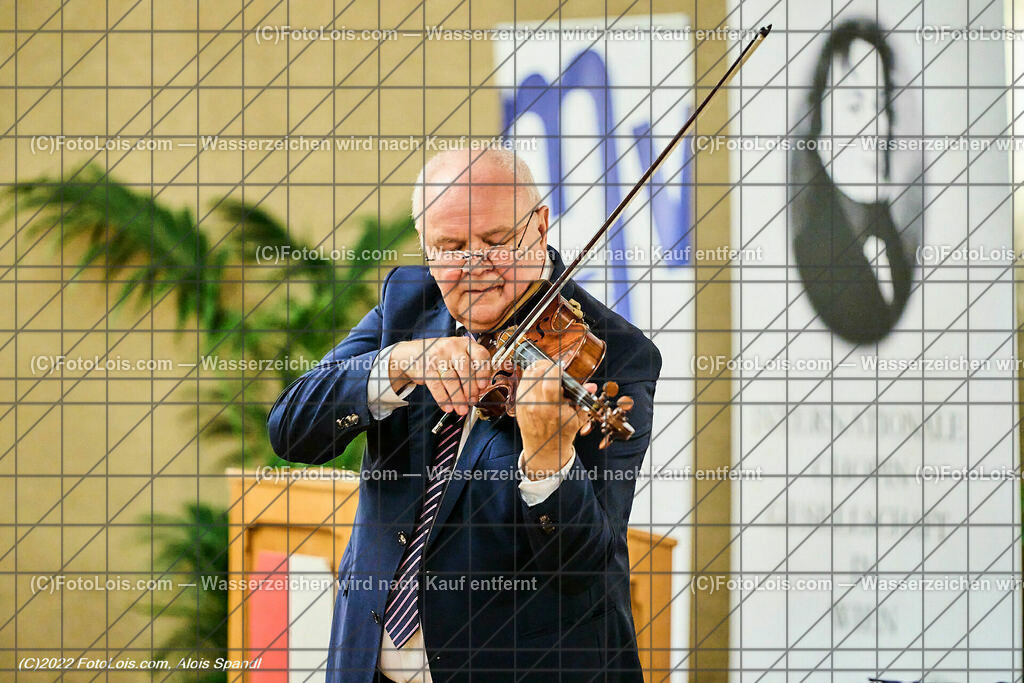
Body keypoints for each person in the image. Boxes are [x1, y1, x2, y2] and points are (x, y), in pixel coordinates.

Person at [267, 147, 661, 682]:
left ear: (540, 226)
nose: (473, 268)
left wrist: (548, 459)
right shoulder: (409, 304)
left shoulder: (613, 353)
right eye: (450, 248)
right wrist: (402, 362)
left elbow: (579, 568)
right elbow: (291, 428)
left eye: (496, 243)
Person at [790, 18, 915, 345]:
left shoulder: (894, 244)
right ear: (818, 123)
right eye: (855, 104)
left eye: (881, 105)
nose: (877, 128)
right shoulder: (811, 251)